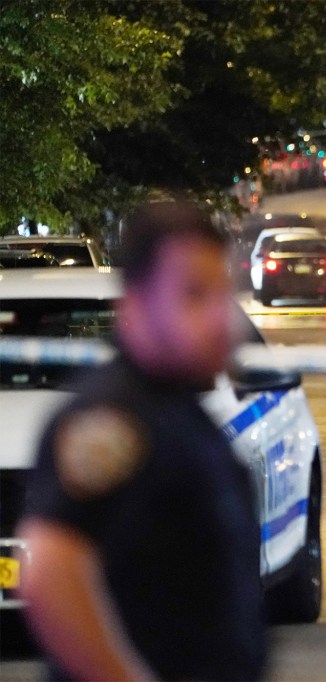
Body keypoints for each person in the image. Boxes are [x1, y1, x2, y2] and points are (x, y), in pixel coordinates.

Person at [15, 201, 267, 680]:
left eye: (223, 295)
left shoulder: (178, 411)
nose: (220, 319)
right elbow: (51, 570)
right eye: (194, 295)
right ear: (134, 305)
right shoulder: (112, 419)